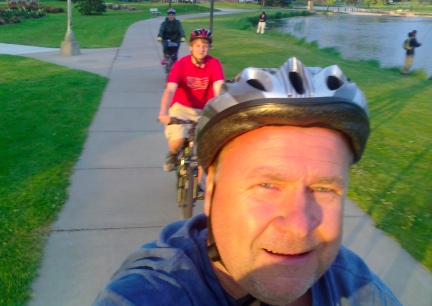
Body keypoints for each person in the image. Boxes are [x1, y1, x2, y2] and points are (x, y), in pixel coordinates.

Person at [93, 57, 401, 305]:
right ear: (210, 191)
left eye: (324, 189)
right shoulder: (152, 293)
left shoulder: (357, 286)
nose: (298, 226)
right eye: (267, 185)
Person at [158, 28, 224, 174]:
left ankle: (197, 188)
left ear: (209, 48)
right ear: (191, 47)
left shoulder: (214, 64)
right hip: (182, 108)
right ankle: (174, 155)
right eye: (198, 45)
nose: (201, 49)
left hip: (205, 109)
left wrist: (221, 111)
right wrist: (163, 112)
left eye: (205, 46)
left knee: (206, 152)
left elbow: (219, 89)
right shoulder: (180, 64)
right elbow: (169, 90)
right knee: (178, 140)